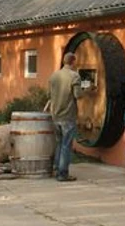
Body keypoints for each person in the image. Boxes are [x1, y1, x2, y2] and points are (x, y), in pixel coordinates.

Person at [48, 52, 85, 182]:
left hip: (55, 114)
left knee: (59, 143)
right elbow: (78, 95)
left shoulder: (54, 75)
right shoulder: (74, 76)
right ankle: (63, 174)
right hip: (68, 115)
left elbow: (50, 94)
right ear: (73, 62)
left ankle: (57, 169)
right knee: (66, 145)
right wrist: (86, 89)